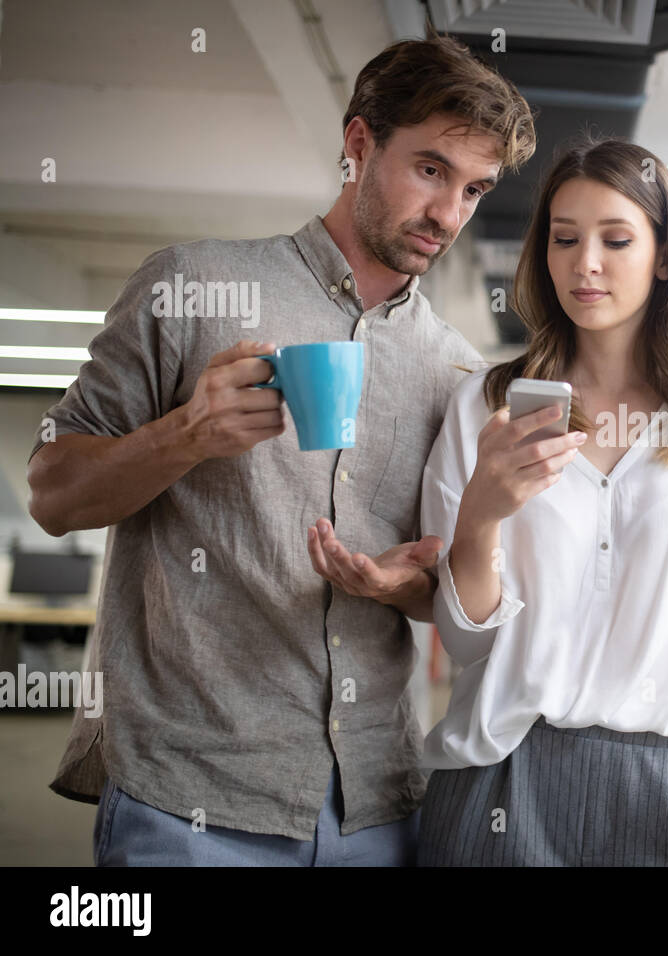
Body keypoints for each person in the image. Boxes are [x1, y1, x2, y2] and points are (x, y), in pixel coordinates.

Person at [25, 35, 535, 865]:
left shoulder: (456, 372)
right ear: (359, 144)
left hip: (374, 804)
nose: (449, 214)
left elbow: (451, 594)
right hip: (190, 794)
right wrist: (182, 437)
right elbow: (53, 494)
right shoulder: (189, 288)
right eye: (432, 169)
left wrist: (409, 585)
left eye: (475, 189)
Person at [415, 138, 668, 866]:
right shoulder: (484, 408)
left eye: (616, 239)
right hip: (507, 776)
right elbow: (462, 640)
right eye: (564, 239)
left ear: (665, 255)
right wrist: (481, 516)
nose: (585, 263)